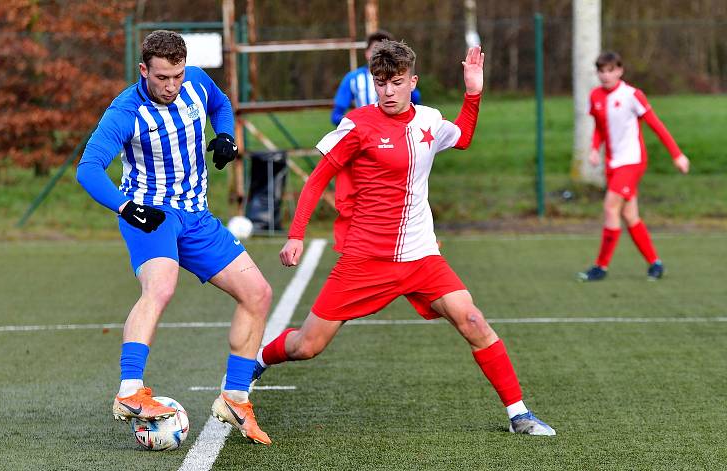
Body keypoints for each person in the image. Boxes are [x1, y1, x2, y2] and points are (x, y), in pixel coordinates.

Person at [253, 41, 555, 436]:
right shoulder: (358, 124)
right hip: (365, 258)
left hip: (421, 256)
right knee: (307, 346)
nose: (388, 92)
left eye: (396, 83)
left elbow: (462, 137)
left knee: (473, 320)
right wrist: (296, 235)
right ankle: (256, 360)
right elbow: (316, 180)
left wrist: (473, 91)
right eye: (381, 83)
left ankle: (519, 414)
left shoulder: (429, 119)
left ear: (413, 81)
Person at [76, 30, 272, 445]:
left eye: (177, 76)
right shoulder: (125, 111)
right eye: (162, 77)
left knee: (257, 293)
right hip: (150, 215)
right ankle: (130, 392)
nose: (171, 86)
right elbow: (89, 169)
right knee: (161, 288)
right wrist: (126, 207)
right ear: (144, 70)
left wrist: (224, 135)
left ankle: (235, 399)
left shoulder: (196, 82)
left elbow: (220, 104)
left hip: (196, 217)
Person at [578, 51, 690, 282]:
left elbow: (656, 125)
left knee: (610, 208)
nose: (606, 75)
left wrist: (677, 154)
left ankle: (601, 267)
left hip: (632, 161)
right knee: (630, 215)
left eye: (611, 70)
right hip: (613, 163)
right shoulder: (595, 96)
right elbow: (599, 127)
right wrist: (593, 149)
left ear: (620, 71)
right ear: (597, 73)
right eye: (602, 71)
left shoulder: (632, 95)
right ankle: (655, 264)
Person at [330, 30, 421, 126]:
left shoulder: (403, 77)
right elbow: (336, 115)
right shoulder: (352, 78)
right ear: (366, 53)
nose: (379, 56)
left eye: (397, 83)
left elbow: (415, 102)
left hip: (397, 130)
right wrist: (358, 123)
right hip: (366, 134)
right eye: (375, 50)